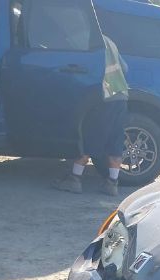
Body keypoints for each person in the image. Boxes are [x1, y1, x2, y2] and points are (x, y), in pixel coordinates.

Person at [53, 35, 128, 196]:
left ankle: (74, 179)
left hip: (104, 96)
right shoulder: (111, 41)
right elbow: (125, 68)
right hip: (121, 95)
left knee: (90, 137)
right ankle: (112, 183)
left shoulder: (91, 40)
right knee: (115, 139)